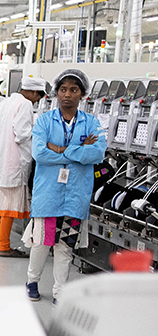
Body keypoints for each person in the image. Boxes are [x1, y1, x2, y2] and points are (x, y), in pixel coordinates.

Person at [24, 69, 106, 303]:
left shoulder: (91, 122)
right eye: (63, 89)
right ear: (56, 93)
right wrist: (80, 152)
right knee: (40, 242)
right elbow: (40, 154)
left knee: (65, 247)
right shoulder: (44, 121)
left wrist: (61, 149)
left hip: (75, 194)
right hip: (48, 193)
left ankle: (61, 290)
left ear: (82, 95)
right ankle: (32, 280)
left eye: (73, 90)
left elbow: (98, 151)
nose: (67, 94)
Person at [0, 77, 47, 257]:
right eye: (38, 98)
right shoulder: (25, 104)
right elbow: (22, 134)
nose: (36, 102)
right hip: (15, 162)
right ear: (34, 93)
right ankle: (4, 246)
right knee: (8, 207)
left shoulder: (5, 102)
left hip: (1, 160)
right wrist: (40, 132)